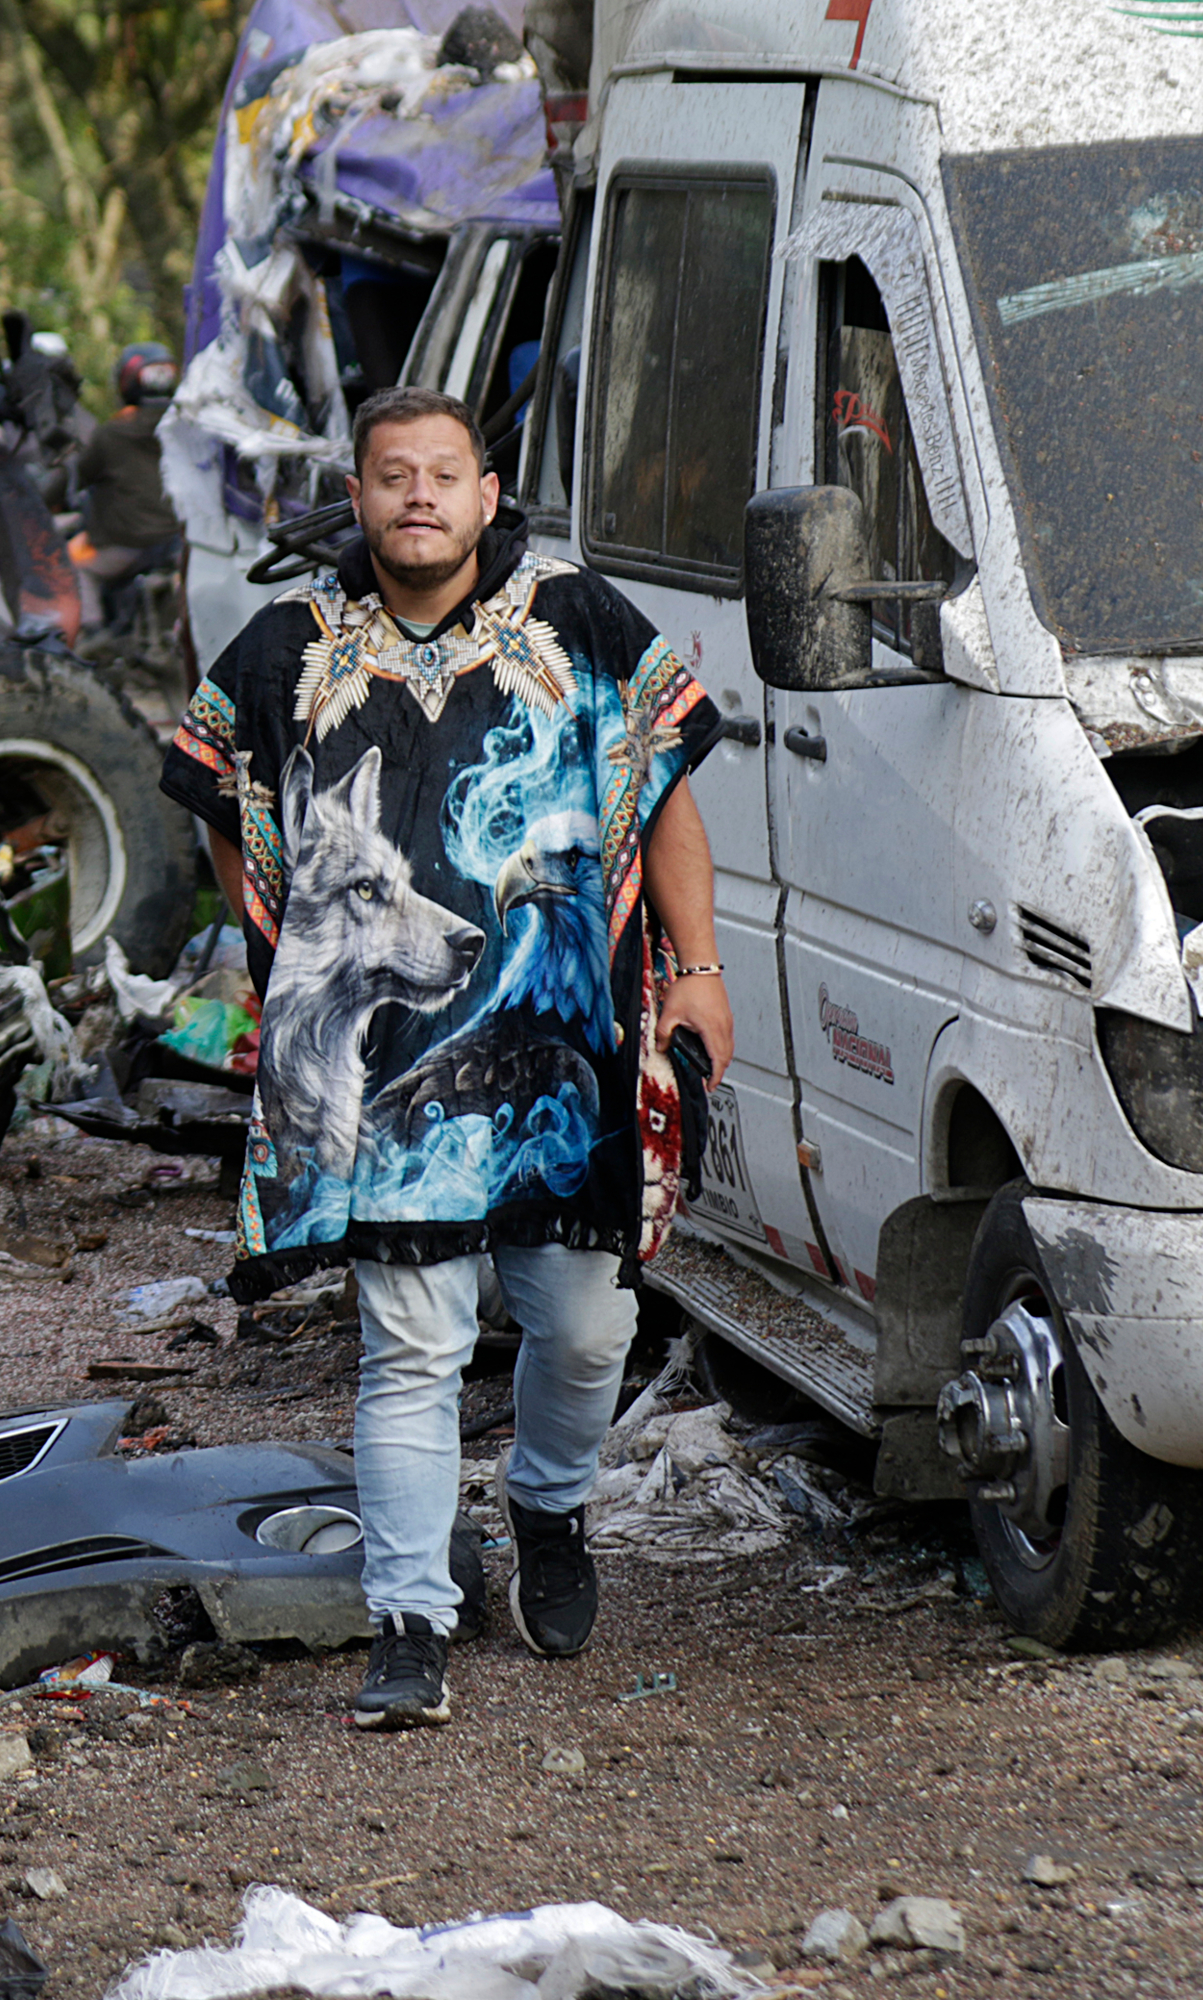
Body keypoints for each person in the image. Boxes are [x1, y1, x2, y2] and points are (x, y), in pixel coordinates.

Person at [159, 384, 733, 1731]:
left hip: (569, 1049)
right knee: (413, 1342)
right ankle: (409, 1617)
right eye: (390, 473)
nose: (417, 494)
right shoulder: (285, 646)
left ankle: (547, 1506)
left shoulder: (578, 621)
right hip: (388, 1076)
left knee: (585, 1330)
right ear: (357, 496)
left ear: (487, 494)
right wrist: (281, 937)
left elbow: (664, 794)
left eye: (442, 472)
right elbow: (220, 796)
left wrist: (699, 973)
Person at [66, 344, 184, 620]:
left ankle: (90, 631)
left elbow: (77, 476)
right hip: (179, 539)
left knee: (72, 566)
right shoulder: (186, 425)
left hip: (128, 544)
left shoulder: (112, 433)